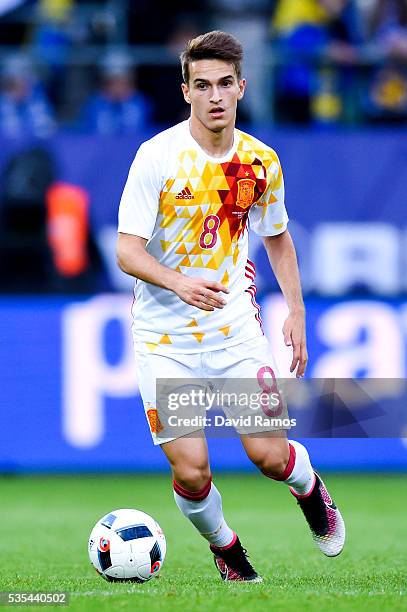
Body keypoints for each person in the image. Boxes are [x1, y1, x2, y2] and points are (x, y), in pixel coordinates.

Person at [116, 30, 345, 582]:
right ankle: (227, 547)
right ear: (186, 91)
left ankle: (310, 489)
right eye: (202, 85)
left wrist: (296, 312)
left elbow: (278, 237)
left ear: (241, 88)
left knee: (269, 455)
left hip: (234, 331)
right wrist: (176, 282)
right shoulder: (158, 157)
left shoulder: (260, 162)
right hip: (163, 337)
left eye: (224, 84)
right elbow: (126, 249)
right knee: (192, 472)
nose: (214, 95)